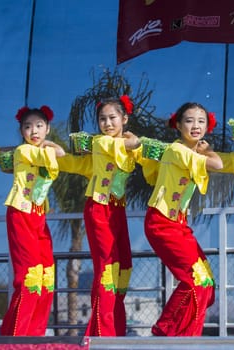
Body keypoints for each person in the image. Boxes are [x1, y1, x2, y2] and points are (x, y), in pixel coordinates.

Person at [144, 102, 223, 336]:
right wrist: (206, 151)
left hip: (178, 224)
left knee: (206, 283)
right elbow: (217, 163)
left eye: (201, 121)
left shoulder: (190, 152)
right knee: (195, 280)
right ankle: (168, 330)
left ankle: (183, 334)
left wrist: (203, 151)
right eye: (189, 121)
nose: (196, 126)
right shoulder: (177, 151)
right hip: (162, 223)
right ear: (178, 125)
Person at [1, 105, 65, 336]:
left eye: (39, 126)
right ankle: (17, 336)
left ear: (47, 128)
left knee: (46, 275)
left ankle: (35, 334)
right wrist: (49, 144)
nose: (34, 131)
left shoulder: (39, 150)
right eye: (28, 127)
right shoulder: (24, 151)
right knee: (29, 276)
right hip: (21, 213)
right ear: (21, 132)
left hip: (38, 216)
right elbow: (59, 153)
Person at [82, 95, 142, 337]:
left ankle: (115, 329)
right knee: (106, 267)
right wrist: (134, 140)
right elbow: (132, 145)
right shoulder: (100, 142)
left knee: (122, 267)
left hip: (117, 209)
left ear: (124, 119)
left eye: (112, 118)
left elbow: (146, 158)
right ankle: (101, 334)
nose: (107, 124)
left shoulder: (129, 144)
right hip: (99, 206)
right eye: (102, 119)